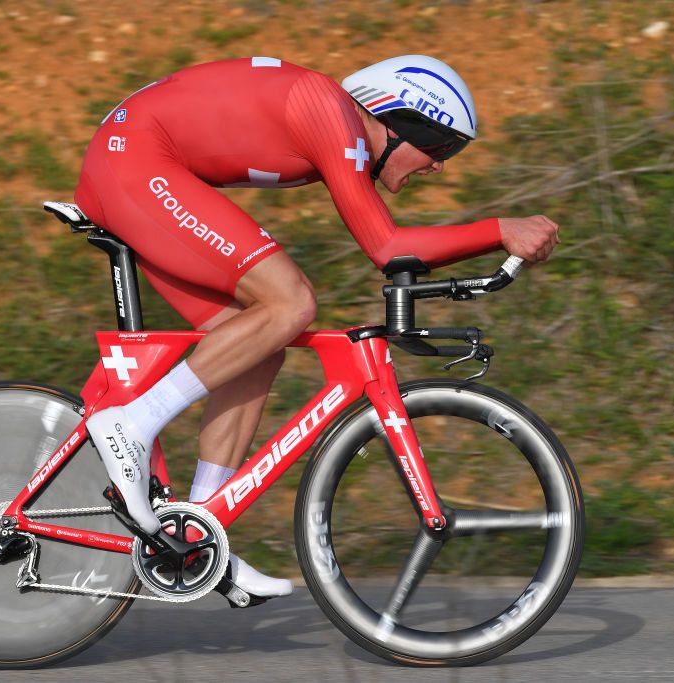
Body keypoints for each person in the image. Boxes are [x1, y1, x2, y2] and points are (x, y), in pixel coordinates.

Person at [75, 55, 560, 600]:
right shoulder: (334, 118)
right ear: (404, 124)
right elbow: (388, 247)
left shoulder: (337, 124)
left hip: (136, 161)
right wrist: (499, 229)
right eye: (442, 148)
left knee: (259, 345)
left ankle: (196, 535)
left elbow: (391, 248)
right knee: (292, 303)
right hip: (133, 161)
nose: (439, 167)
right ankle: (132, 424)